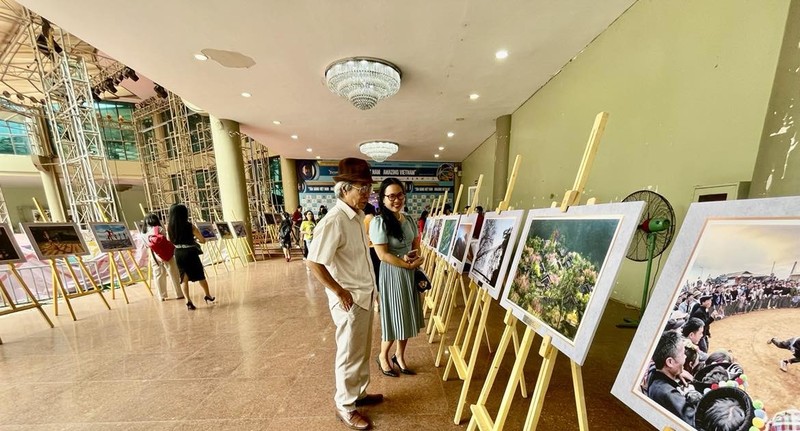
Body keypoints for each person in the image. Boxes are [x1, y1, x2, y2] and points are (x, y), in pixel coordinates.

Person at [306, 158, 382, 430]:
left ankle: (358, 394)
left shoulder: (358, 217)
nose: (366, 194)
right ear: (343, 189)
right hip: (349, 300)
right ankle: (345, 406)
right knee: (349, 354)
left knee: (361, 351)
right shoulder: (334, 220)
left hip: (364, 295)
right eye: (361, 188)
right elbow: (314, 262)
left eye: (368, 188)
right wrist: (338, 290)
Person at [370, 178, 425, 378]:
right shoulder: (379, 222)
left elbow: (415, 243)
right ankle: (383, 356)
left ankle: (399, 356)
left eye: (400, 194)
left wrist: (414, 256)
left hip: (408, 272)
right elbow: (382, 255)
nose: (397, 200)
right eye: (391, 196)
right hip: (392, 274)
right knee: (395, 318)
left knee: (407, 317)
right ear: (382, 199)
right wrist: (407, 264)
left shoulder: (408, 219)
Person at [647, 331, 702, 426]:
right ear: (670, 362)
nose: (685, 357)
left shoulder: (655, 372)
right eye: (683, 353)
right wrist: (693, 395)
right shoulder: (668, 394)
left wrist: (675, 372)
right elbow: (695, 422)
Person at [167, 204, 215, 310]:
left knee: (183, 278)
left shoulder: (169, 227)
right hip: (190, 252)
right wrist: (194, 240)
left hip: (178, 252)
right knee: (200, 275)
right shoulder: (189, 226)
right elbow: (202, 240)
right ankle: (208, 295)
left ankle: (188, 301)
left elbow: (170, 240)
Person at [144, 213, 183, 302]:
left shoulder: (143, 233)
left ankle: (162, 296)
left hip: (153, 254)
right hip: (165, 253)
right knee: (173, 273)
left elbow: (147, 246)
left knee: (158, 275)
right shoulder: (160, 229)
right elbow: (166, 241)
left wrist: (156, 255)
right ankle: (178, 293)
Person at [363, 203, 381, 290]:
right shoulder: (374, 218)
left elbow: (365, 234)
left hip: (370, 247)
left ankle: (375, 289)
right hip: (376, 246)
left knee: (373, 269)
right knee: (377, 270)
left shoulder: (365, 219)